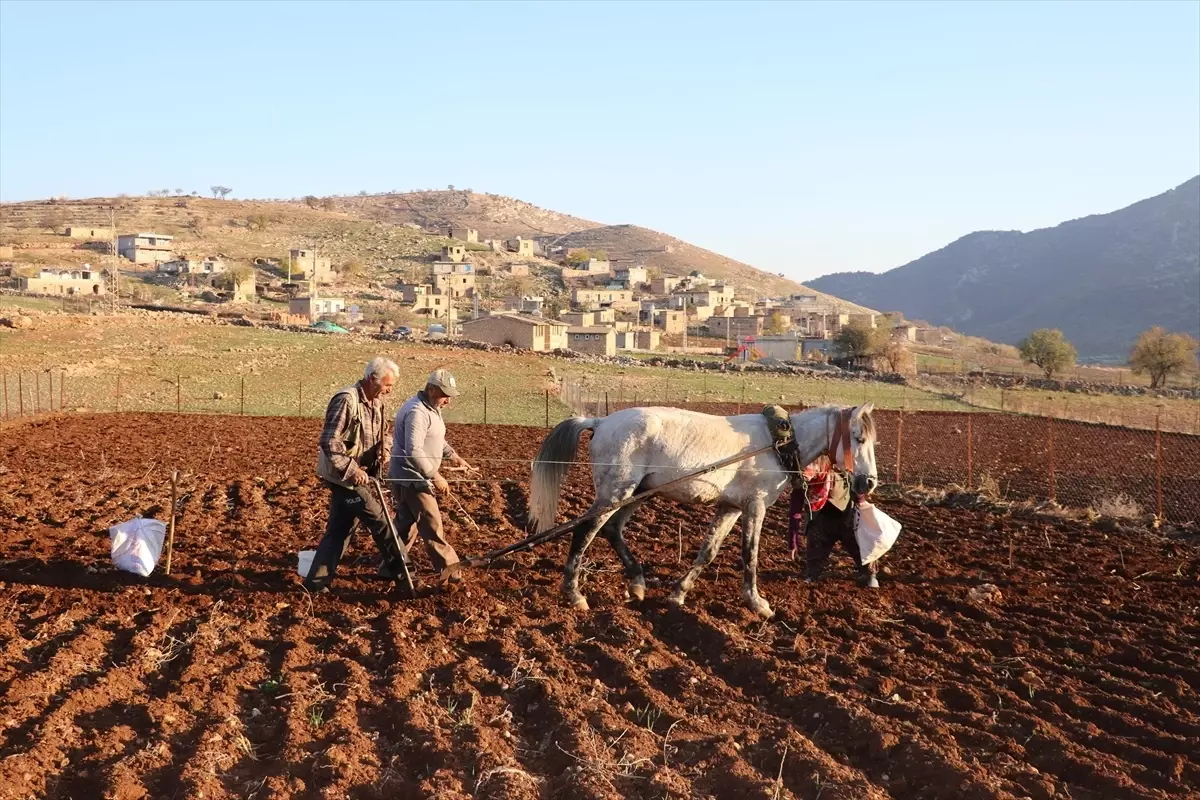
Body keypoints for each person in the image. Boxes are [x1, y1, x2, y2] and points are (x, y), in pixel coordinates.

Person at [303, 357, 408, 593]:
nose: (390, 391)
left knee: (340, 529)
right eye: (388, 385)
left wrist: (385, 449)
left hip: (363, 475)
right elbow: (330, 441)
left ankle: (316, 584)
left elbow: (385, 435)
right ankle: (405, 576)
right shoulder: (346, 401)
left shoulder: (377, 403)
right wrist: (353, 470)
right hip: (344, 478)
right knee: (381, 521)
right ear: (372, 379)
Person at [385, 368, 475, 580]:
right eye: (445, 395)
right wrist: (435, 475)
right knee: (432, 524)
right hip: (412, 478)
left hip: (412, 476)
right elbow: (413, 449)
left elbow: (436, 438)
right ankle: (450, 570)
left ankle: (389, 566)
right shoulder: (417, 412)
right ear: (432, 389)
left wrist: (454, 456)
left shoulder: (432, 410)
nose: (448, 401)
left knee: (407, 525)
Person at [788, 460, 880, 588]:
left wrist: (862, 503)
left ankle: (871, 576)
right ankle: (812, 577)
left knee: (863, 552)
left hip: (847, 518)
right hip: (819, 522)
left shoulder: (845, 464)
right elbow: (795, 508)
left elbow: (857, 489)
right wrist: (793, 540)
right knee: (813, 570)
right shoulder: (806, 473)